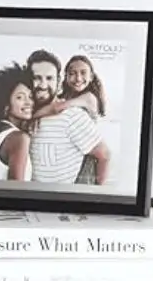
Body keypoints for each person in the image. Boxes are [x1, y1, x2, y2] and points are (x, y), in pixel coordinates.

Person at [22, 49, 110, 186]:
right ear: (66, 77)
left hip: (88, 156)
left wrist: (31, 118)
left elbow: (56, 108)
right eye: (72, 74)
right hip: (81, 147)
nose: (78, 78)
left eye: (83, 73)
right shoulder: (68, 97)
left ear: (91, 76)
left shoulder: (88, 98)